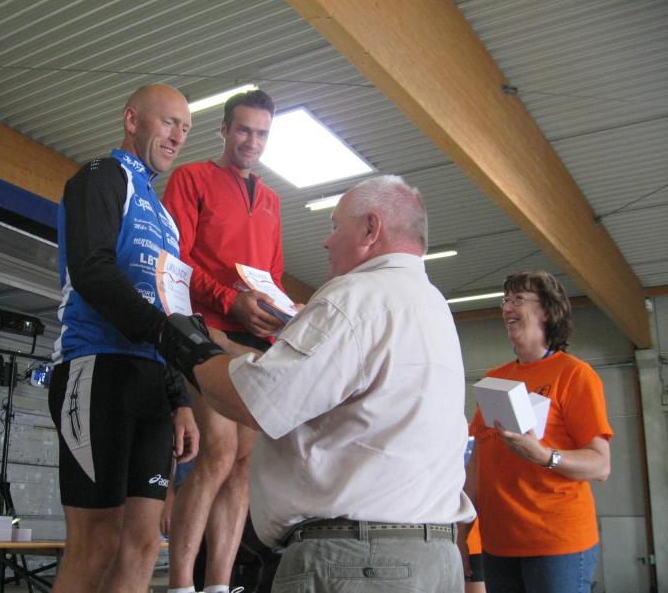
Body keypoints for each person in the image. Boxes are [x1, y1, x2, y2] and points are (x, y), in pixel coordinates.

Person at [165, 175, 475, 592]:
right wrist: (225, 344)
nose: (326, 241)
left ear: (370, 229)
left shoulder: (354, 297)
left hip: (357, 564)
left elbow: (254, 401)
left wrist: (187, 347)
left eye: (334, 225)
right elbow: (315, 385)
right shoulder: (431, 307)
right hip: (435, 561)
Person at [48, 83, 200, 593]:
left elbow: (171, 307)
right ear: (132, 120)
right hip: (97, 367)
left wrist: (181, 401)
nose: (177, 137)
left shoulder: (168, 220)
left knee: (142, 544)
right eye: (168, 122)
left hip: (153, 385)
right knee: (97, 542)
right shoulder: (100, 177)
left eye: (185, 129)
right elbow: (92, 270)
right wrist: (164, 332)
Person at [161, 89, 285, 593]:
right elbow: (176, 260)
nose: (252, 142)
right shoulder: (191, 178)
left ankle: (218, 584)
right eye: (243, 130)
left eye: (262, 134)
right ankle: (181, 584)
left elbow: (272, 276)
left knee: (243, 464)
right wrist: (227, 301)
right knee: (219, 451)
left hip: (255, 337)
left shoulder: (272, 200)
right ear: (225, 129)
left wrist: (279, 316)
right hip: (204, 327)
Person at [461, 270, 613, 593]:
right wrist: (463, 533)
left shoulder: (574, 375)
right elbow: (476, 465)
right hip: (498, 544)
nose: (507, 308)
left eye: (518, 299)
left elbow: (600, 465)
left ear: (546, 311)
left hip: (556, 543)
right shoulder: (494, 380)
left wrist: (545, 456)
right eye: (505, 300)